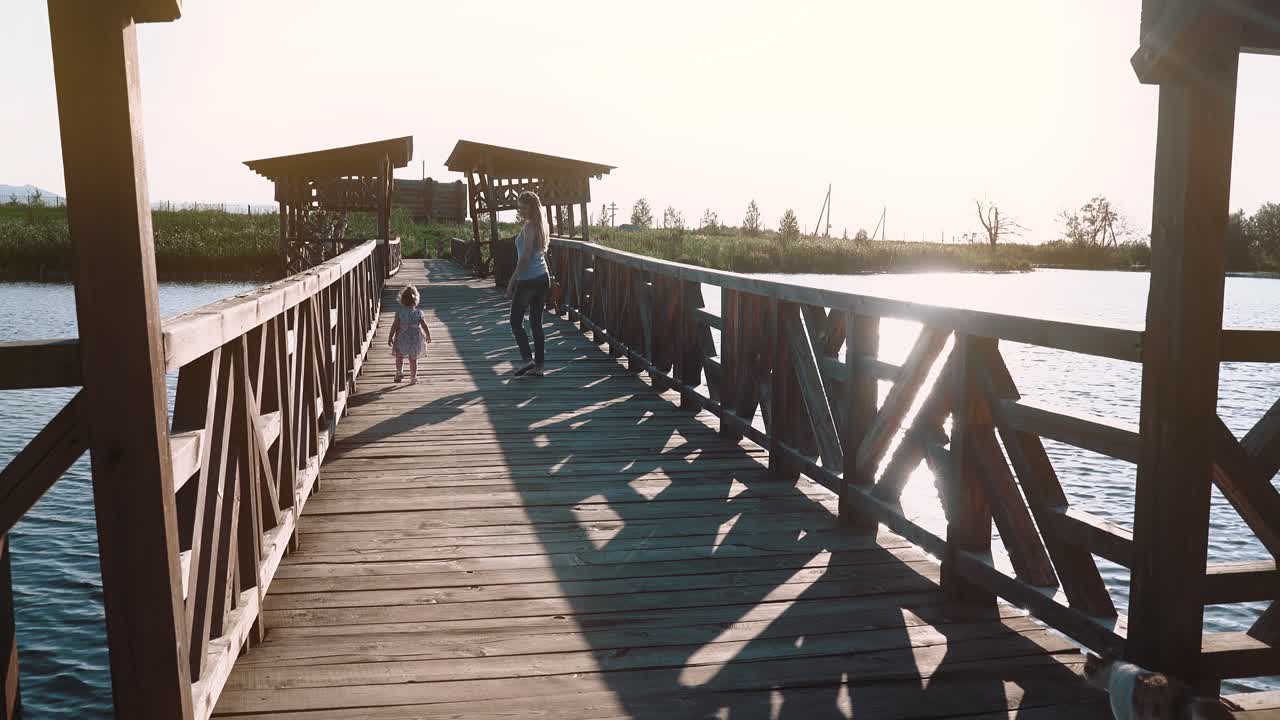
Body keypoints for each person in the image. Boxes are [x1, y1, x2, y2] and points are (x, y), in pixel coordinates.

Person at [507, 190, 551, 377]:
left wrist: (512, 281)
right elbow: (540, 255)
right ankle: (538, 366)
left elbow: (524, 258)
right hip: (542, 277)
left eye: (523, 208)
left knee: (515, 321)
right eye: (520, 208)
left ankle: (527, 360)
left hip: (529, 279)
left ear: (531, 207)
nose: (521, 211)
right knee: (535, 322)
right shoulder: (542, 225)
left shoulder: (529, 227)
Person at [388, 285, 431, 384]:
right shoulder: (418, 313)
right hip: (414, 338)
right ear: (416, 300)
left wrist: (390, 336)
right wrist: (428, 335)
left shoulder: (399, 313)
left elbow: (394, 325)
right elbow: (424, 325)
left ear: (402, 300)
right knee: (413, 359)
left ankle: (399, 373)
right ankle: (413, 378)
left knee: (399, 356)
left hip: (402, 336)